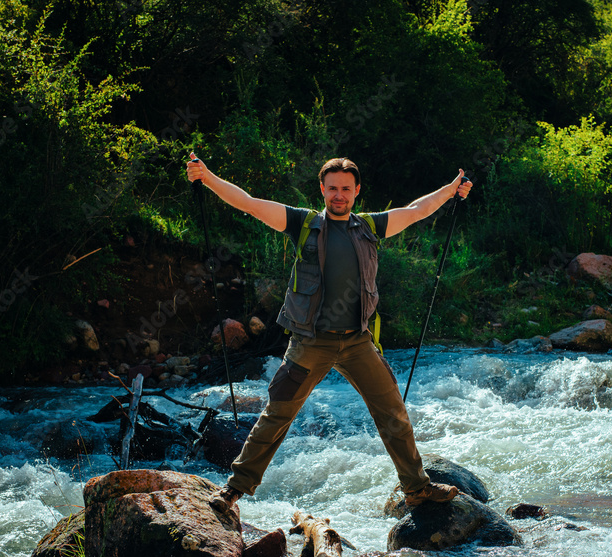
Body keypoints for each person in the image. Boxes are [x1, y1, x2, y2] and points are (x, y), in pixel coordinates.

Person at [185, 153, 473, 511]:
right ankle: (233, 490)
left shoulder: (369, 227)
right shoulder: (303, 223)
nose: (339, 195)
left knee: (394, 413)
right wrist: (207, 177)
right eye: (333, 188)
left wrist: (449, 191)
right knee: (277, 415)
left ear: (357, 192)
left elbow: (415, 210)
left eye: (346, 189)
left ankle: (416, 488)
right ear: (322, 189)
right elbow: (250, 203)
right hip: (310, 343)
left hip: (357, 342)